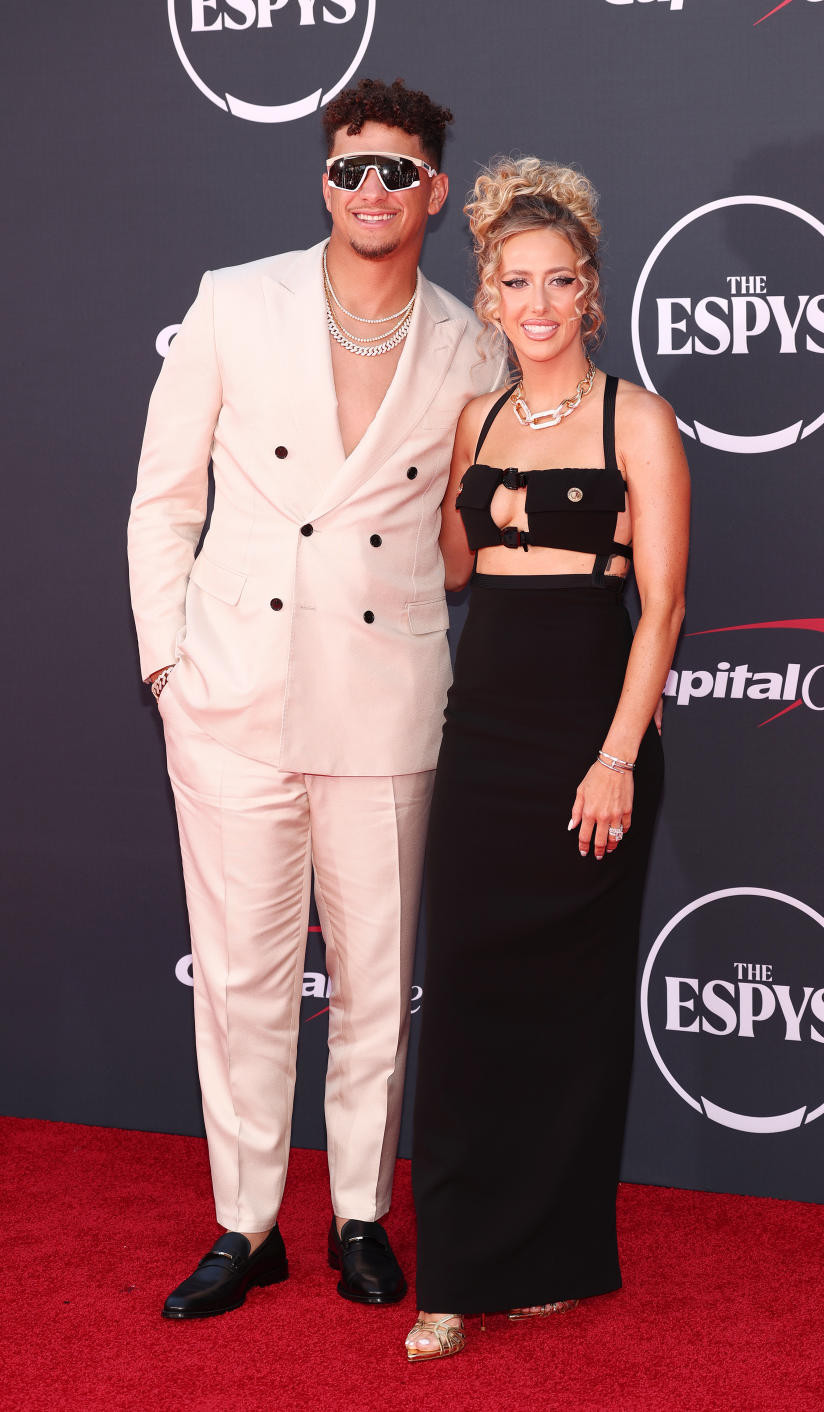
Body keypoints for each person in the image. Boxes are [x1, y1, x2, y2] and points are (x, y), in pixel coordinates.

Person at [127, 78, 503, 1321]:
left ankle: (356, 1213)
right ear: (324, 182)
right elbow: (165, 499)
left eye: (398, 172)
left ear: (434, 193)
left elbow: (464, 540)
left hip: (384, 696)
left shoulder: (472, 342)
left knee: (376, 978)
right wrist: (168, 666)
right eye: (352, 170)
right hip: (232, 692)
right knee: (238, 975)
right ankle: (245, 1224)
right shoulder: (236, 302)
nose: (372, 192)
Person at [405, 157, 690, 1361]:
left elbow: (665, 606)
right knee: (467, 995)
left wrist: (618, 754)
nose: (534, 303)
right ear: (489, 289)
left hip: (591, 724)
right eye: (513, 281)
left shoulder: (640, 418)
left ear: (591, 294)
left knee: (570, 1008)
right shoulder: (472, 417)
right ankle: (456, 1271)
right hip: (487, 727)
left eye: (557, 281)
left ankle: (552, 1256)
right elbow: (460, 572)